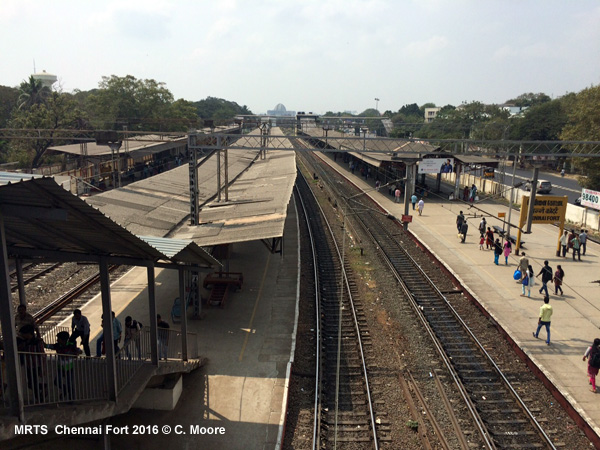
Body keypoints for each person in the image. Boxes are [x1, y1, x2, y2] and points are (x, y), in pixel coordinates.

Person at [45, 331, 81, 400]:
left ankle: (72, 399)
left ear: (63, 340)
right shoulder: (57, 346)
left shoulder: (70, 345)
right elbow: (49, 346)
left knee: (70, 383)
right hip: (60, 368)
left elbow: (79, 350)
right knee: (57, 381)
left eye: (59, 339)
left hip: (69, 368)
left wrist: (76, 353)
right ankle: (65, 389)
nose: (57, 340)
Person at [17, 324, 47, 401]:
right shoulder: (24, 342)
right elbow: (19, 349)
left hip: (36, 365)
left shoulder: (37, 342)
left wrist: (42, 367)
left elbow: (42, 354)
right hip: (28, 365)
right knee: (31, 384)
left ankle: (39, 398)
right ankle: (43, 389)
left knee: (34, 382)